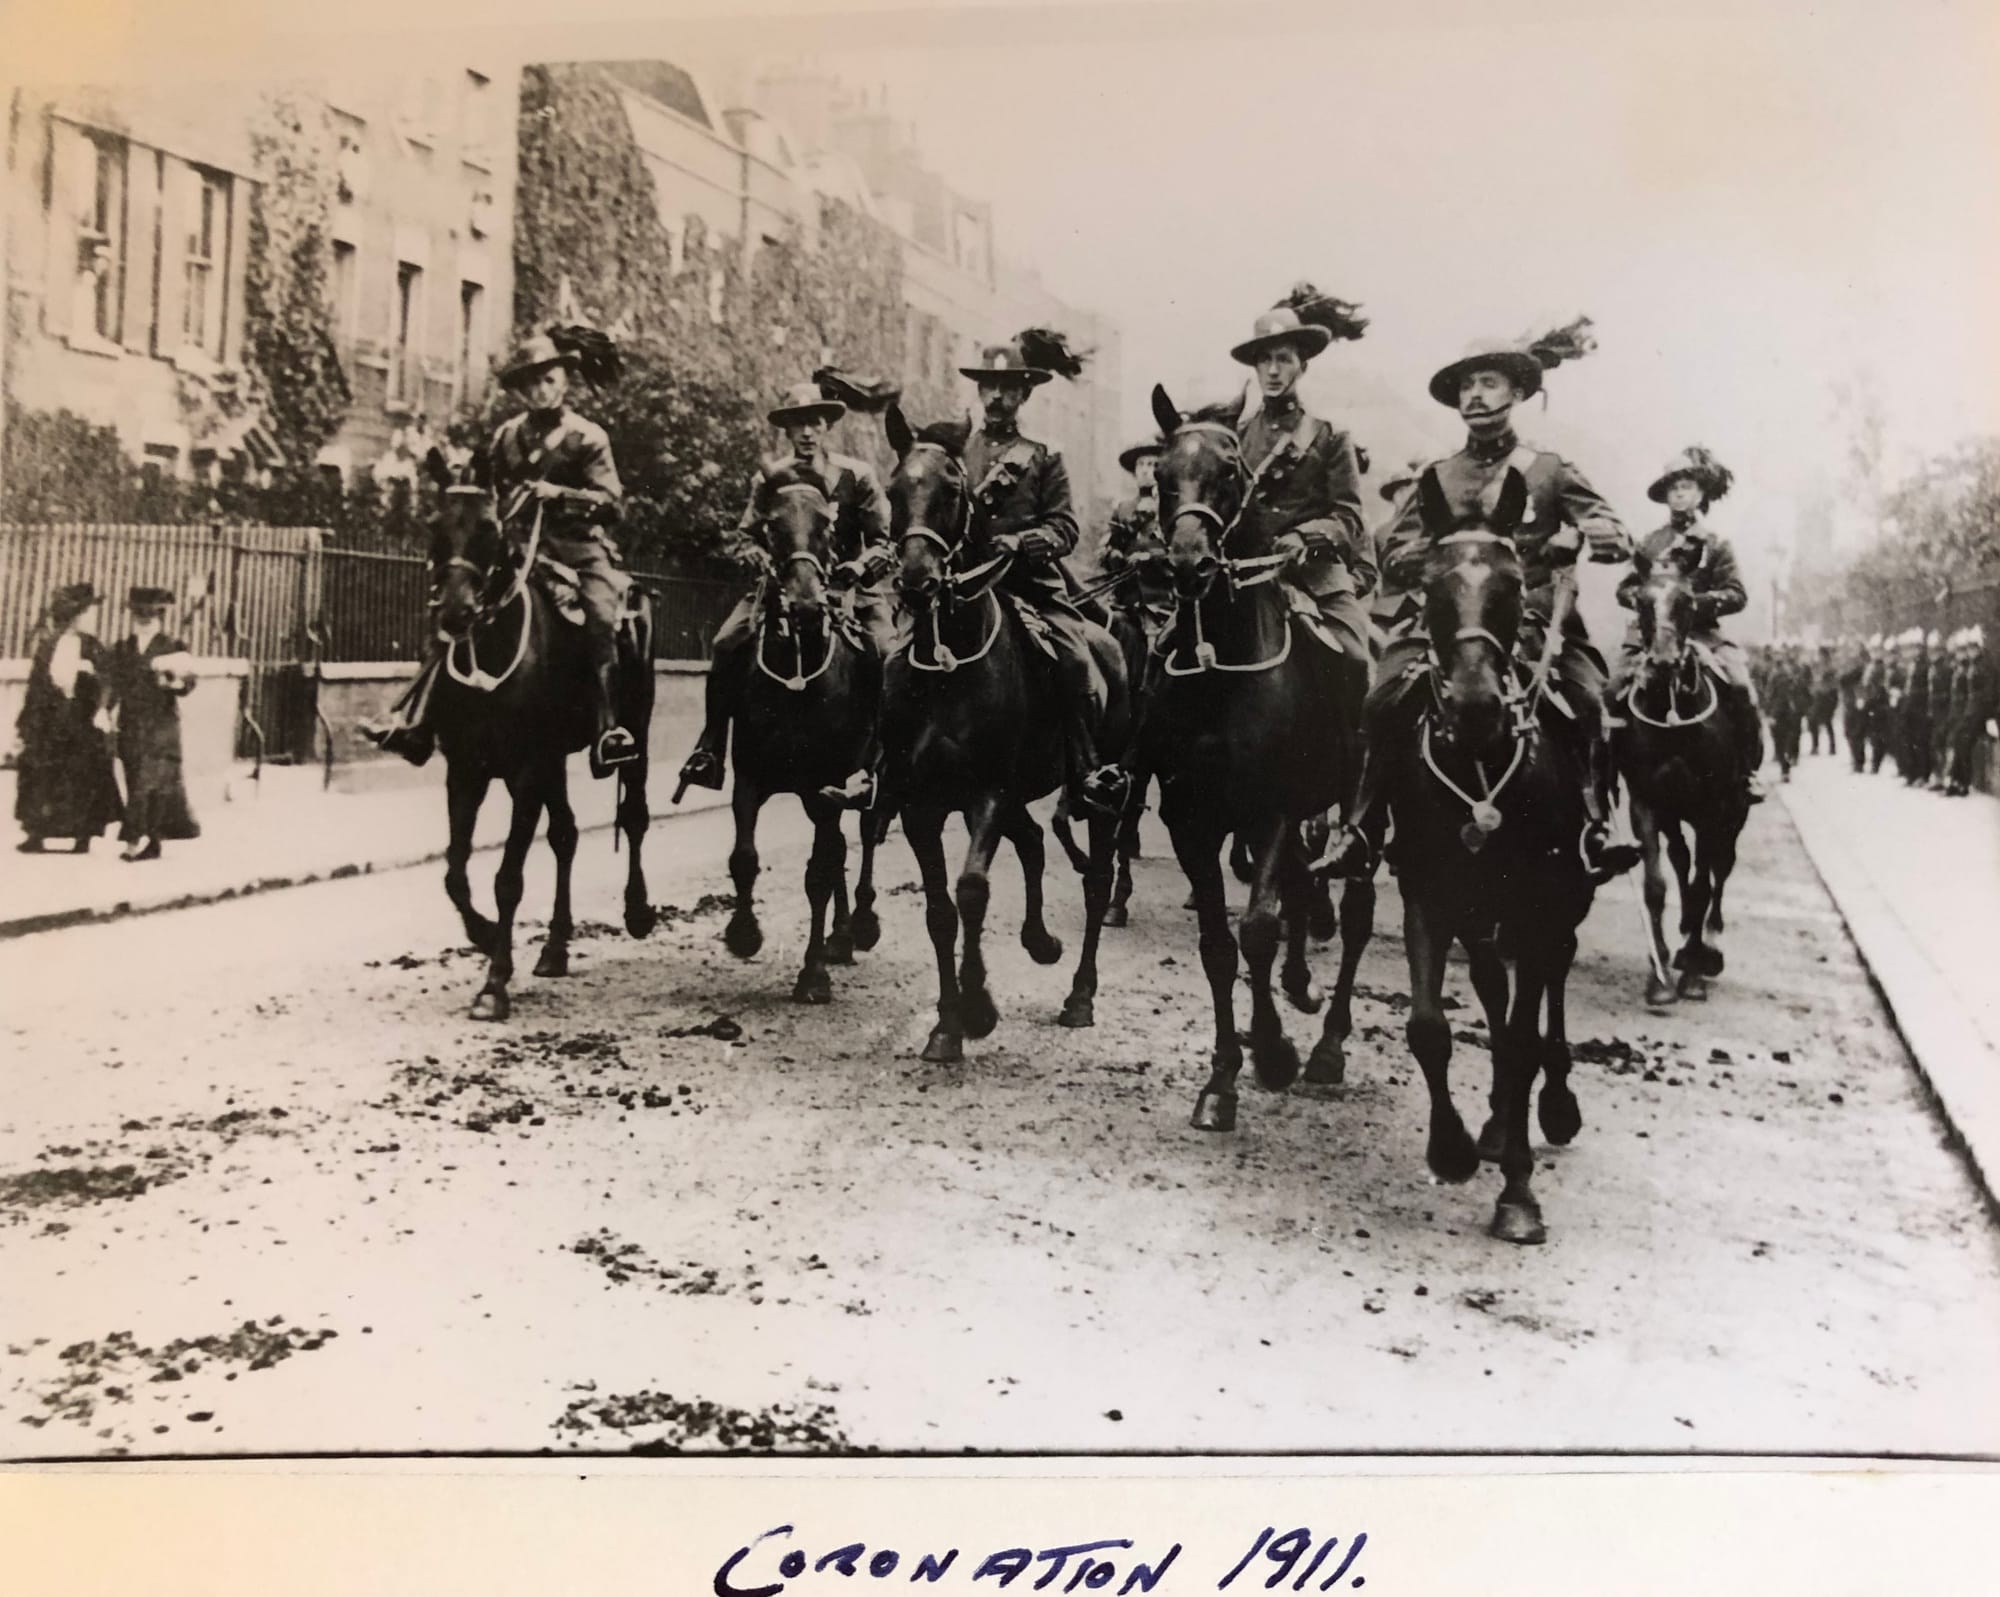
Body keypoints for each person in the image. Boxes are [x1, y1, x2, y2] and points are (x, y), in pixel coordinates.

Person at [1318, 325, 1640, 881]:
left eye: (1488, 383)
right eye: (1467, 385)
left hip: (1536, 620)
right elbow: (1394, 550)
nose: (1475, 395)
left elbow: (1613, 528)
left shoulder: (1549, 469)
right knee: (1382, 700)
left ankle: (1598, 822)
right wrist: (1443, 561)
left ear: (1515, 394)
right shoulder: (1438, 475)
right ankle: (1360, 830)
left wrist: (1585, 535)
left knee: (1590, 698)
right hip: (1447, 623)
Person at [364, 329, 637, 777]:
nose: (540, 391)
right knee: (455, 606)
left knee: (602, 617)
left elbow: (613, 504)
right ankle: (420, 724)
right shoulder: (507, 437)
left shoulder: (588, 438)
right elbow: (487, 494)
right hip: (515, 546)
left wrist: (560, 493)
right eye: (530, 384)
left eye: (548, 380)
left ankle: (607, 731)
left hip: (576, 550)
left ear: (564, 380)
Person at [674, 379, 896, 805]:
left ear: (826, 425)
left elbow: (885, 543)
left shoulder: (856, 475)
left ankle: (879, 764)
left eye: (814, 422)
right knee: (726, 643)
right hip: (781, 588)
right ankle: (710, 747)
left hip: (847, 591)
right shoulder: (771, 478)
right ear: (787, 431)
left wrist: (858, 567)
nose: (807, 432)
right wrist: (756, 554)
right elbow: (744, 535)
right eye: (797, 424)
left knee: (887, 653)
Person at [953, 328, 1128, 816]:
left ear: (1024, 393)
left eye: (1009, 387)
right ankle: (885, 769)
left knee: (1075, 660)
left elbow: (1065, 528)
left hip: (1029, 589)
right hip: (963, 589)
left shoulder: (1044, 455)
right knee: (899, 656)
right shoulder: (955, 453)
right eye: (989, 385)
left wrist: (1022, 542)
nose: (997, 396)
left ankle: (1085, 770)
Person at [1613, 447, 1764, 802]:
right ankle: (1611, 776)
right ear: (1665, 496)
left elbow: (1736, 593)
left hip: (1702, 635)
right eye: (1673, 488)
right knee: (1612, 690)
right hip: (1653, 637)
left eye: (1687, 486)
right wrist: (1651, 603)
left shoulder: (1716, 545)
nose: (1680, 493)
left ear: (1700, 493)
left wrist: (1694, 605)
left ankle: (1747, 771)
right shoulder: (1649, 544)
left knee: (1741, 687)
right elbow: (1625, 588)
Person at [13, 581, 121, 853]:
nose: (93, 619)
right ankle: (36, 832)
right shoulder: (48, 645)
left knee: (81, 776)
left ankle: (83, 834)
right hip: (50, 722)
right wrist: (27, 723)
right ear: (75, 616)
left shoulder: (94, 648)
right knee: (42, 774)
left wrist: (97, 695)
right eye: (88, 613)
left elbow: (110, 683)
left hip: (81, 721)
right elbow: (36, 685)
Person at [106, 586, 200, 861]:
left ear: (160, 616)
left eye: (151, 614)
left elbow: (188, 685)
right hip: (131, 724)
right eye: (139, 614)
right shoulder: (123, 648)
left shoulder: (173, 646)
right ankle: (154, 840)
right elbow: (113, 683)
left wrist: (173, 681)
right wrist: (105, 710)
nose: (144, 619)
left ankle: (135, 841)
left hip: (161, 725)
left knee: (148, 783)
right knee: (136, 779)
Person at [1100, 433, 1172, 625]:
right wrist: (1113, 556)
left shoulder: (1171, 507)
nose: (1145, 471)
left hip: (1164, 600)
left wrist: (1150, 558)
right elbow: (1107, 547)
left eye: (1152, 464)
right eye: (1141, 464)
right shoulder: (1123, 508)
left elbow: (1181, 553)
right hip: (1127, 600)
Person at [1925, 629, 1956, 789]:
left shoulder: (1945, 668)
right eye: (1931, 651)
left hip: (1944, 711)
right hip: (1935, 711)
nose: (1932, 654)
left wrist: (1937, 699)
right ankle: (1938, 776)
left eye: (1935, 650)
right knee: (1935, 743)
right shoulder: (1933, 668)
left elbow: (1947, 692)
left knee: (1941, 743)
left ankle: (1945, 777)